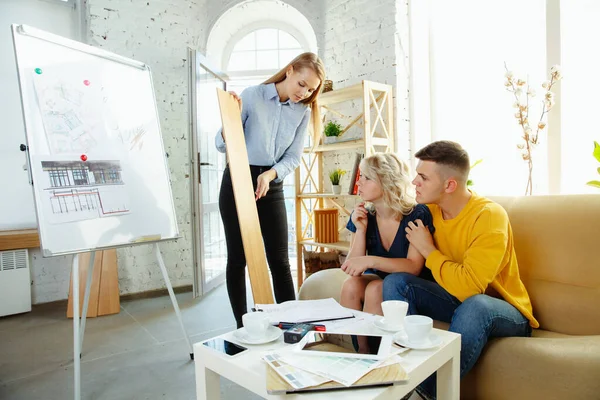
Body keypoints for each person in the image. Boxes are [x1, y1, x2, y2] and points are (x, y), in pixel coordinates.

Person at [382, 140, 539, 400]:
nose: (414, 182)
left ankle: (424, 393)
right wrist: (362, 218)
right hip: (453, 299)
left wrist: (428, 250)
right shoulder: (429, 211)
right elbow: (393, 207)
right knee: (397, 283)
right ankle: (398, 378)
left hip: (500, 310)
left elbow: (470, 288)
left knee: (476, 304)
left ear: (450, 185)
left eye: (422, 177)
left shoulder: (488, 216)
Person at [216, 52, 326, 328]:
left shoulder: (302, 112)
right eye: (302, 84)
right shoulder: (252, 96)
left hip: (272, 182)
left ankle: (291, 325)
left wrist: (271, 174)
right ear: (289, 71)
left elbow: (293, 157)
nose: (305, 93)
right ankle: (244, 328)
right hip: (238, 179)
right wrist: (233, 118)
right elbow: (221, 144)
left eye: (311, 89)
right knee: (238, 258)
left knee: (279, 260)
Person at [339, 153, 434, 321]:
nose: (359, 182)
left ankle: (375, 347)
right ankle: (359, 347)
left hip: (409, 285)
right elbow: (352, 269)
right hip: (379, 279)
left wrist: (371, 260)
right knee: (350, 285)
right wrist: (360, 230)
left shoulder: (417, 214)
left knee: (376, 288)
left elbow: (414, 267)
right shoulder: (363, 214)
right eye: (361, 176)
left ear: (387, 181)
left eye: (367, 178)